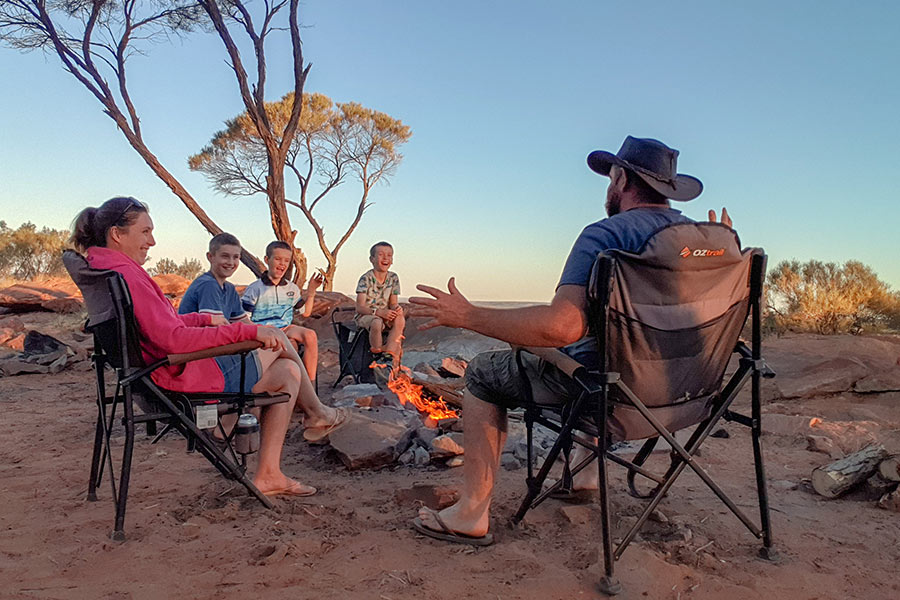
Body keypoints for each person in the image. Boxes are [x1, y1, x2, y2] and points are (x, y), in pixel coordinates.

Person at [408, 137, 731, 545]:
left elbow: (562, 327)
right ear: (669, 189)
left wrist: (469, 316)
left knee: (484, 373)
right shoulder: (712, 242)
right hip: (687, 399)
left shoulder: (606, 235)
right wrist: (722, 251)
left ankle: (471, 512)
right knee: (596, 347)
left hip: (610, 400)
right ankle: (586, 474)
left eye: (610, 178)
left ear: (620, 178)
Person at [71, 198, 349, 498]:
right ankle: (317, 412)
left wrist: (202, 319)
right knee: (279, 340)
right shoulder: (128, 275)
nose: (152, 241)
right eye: (145, 232)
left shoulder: (106, 267)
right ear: (117, 234)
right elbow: (173, 340)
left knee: (289, 370)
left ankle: (269, 474)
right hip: (178, 377)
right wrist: (248, 332)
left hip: (154, 375)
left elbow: (160, 324)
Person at [241, 240, 323, 384]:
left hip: (284, 328)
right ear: (267, 260)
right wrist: (259, 331)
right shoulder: (255, 288)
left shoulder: (291, 288)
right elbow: (244, 318)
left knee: (310, 335)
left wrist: (311, 292)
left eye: (286, 260)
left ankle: (310, 383)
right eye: (278, 259)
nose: (282, 264)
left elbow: (305, 313)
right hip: (263, 330)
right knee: (290, 345)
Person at [355, 241, 405, 369]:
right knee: (377, 322)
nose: (385, 258)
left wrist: (396, 308)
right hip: (367, 315)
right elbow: (359, 307)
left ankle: (389, 352)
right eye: (381, 255)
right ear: (372, 259)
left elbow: (393, 303)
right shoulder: (365, 278)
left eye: (389, 255)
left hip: (385, 313)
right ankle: (376, 351)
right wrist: (378, 312)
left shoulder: (393, 278)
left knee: (400, 318)